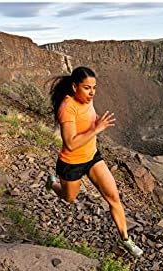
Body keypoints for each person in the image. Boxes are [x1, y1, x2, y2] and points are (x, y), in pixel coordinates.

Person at [46, 66, 143, 257]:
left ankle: (125, 240)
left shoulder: (87, 101)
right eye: (87, 88)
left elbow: (89, 119)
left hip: (92, 157)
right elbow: (71, 144)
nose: (92, 93)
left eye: (94, 88)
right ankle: (53, 184)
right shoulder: (67, 108)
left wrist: (97, 121)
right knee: (69, 198)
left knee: (114, 198)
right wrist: (97, 129)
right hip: (71, 163)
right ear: (75, 87)